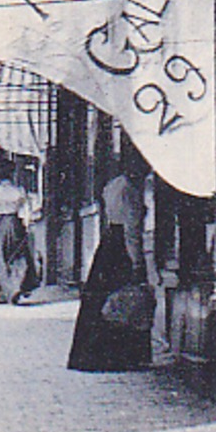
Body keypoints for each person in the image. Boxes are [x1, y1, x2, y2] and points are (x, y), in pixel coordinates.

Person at [69, 152, 154, 371]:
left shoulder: (112, 185)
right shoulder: (130, 191)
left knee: (100, 301)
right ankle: (119, 357)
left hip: (109, 243)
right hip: (123, 248)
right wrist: (136, 262)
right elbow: (131, 228)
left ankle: (92, 354)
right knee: (124, 300)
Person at [0, 161, 38, 304]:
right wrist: (26, 225)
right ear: (12, 174)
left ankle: (1, 292)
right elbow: (26, 210)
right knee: (18, 257)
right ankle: (16, 286)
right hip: (15, 223)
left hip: (0, 225)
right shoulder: (19, 190)